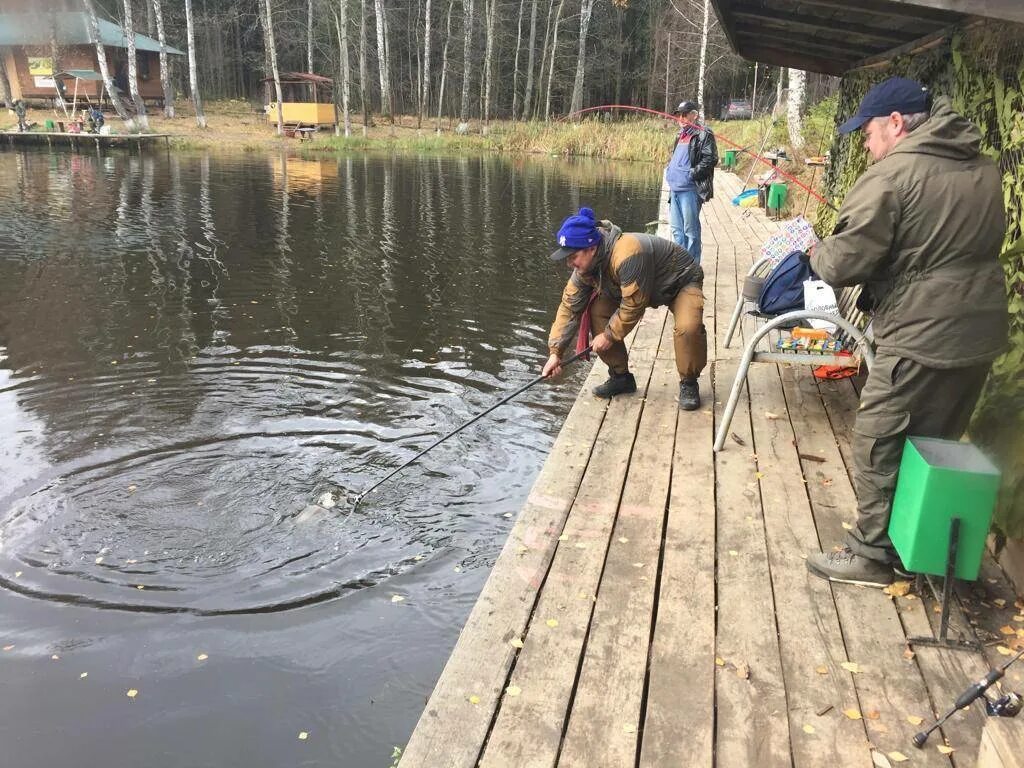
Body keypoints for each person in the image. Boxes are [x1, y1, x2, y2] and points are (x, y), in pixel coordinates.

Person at [804, 77, 1008, 587]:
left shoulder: (892, 175)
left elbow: (844, 263)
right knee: (933, 440)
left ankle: (872, 556)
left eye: (869, 134)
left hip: (920, 334)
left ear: (895, 123)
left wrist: (816, 252)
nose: (867, 147)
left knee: (880, 440)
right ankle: (924, 550)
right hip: (980, 332)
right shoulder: (983, 168)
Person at [541, 207, 707, 410]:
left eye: (572, 256)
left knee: (688, 327)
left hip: (680, 281)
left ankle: (689, 383)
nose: (569, 263)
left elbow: (633, 305)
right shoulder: (585, 267)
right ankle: (621, 378)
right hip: (639, 287)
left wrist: (608, 336)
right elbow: (569, 308)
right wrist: (555, 353)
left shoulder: (628, 253)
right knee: (598, 311)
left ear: (591, 248)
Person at [664, 100, 717, 265]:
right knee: (677, 231)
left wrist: (691, 174)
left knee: (690, 231)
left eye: (684, 114)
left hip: (690, 189)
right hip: (675, 189)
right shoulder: (679, 135)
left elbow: (710, 159)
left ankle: (692, 266)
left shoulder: (704, 134)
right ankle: (681, 264)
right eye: (679, 114)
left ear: (694, 115)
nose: (680, 118)